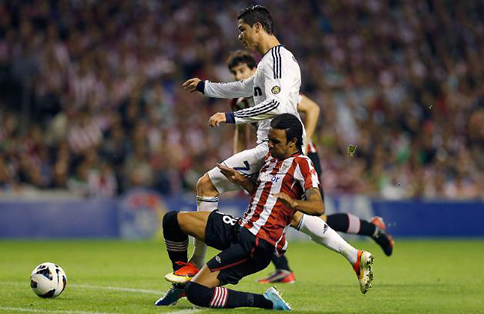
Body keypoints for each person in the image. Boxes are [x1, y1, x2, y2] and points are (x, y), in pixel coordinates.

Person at [174, 4, 375, 291]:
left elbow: (278, 105)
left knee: (206, 184)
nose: (239, 36)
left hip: (275, 149)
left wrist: (231, 117)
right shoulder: (268, 63)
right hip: (275, 148)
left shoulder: (279, 59)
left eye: (242, 30)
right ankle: (355, 255)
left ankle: (195, 262)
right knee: (291, 214)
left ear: (258, 27)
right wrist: (206, 87)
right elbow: (242, 88)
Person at [155, 114, 374, 310]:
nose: (269, 145)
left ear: (292, 142)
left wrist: (293, 203)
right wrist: (241, 181)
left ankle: (266, 301)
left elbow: (318, 206)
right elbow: (261, 194)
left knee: (198, 293)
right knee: (173, 220)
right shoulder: (270, 159)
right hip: (241, 227)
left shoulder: (302, 164)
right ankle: (183, 276)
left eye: (275, 141)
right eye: (268, 139)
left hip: (257, 244)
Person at [226, 50, 394, 284]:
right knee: (268, 210)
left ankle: (372, 229)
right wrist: (240, 161)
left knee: (314, 217)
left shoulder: (273, 87)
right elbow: (242, 131)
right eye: (234, 73)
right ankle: (284, 269)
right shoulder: (239, 100)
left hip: (301, 155)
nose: (237, 76)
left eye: (242, 70)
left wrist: (303, 144)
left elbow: (313, 108)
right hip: (275, 158)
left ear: (255, 70)